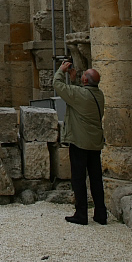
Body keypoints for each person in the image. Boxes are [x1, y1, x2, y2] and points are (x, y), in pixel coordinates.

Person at [53, 59, 107, 225]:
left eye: (84, 75)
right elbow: (79, 96)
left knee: (78, 178)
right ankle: (101, 213)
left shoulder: (80, 95)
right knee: (96, 179)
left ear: (85, 80)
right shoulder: (99, 95)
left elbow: (58, 85)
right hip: (94, 143)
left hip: (80, 142)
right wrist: (74, 80)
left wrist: (61, 70)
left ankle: (81, 213)